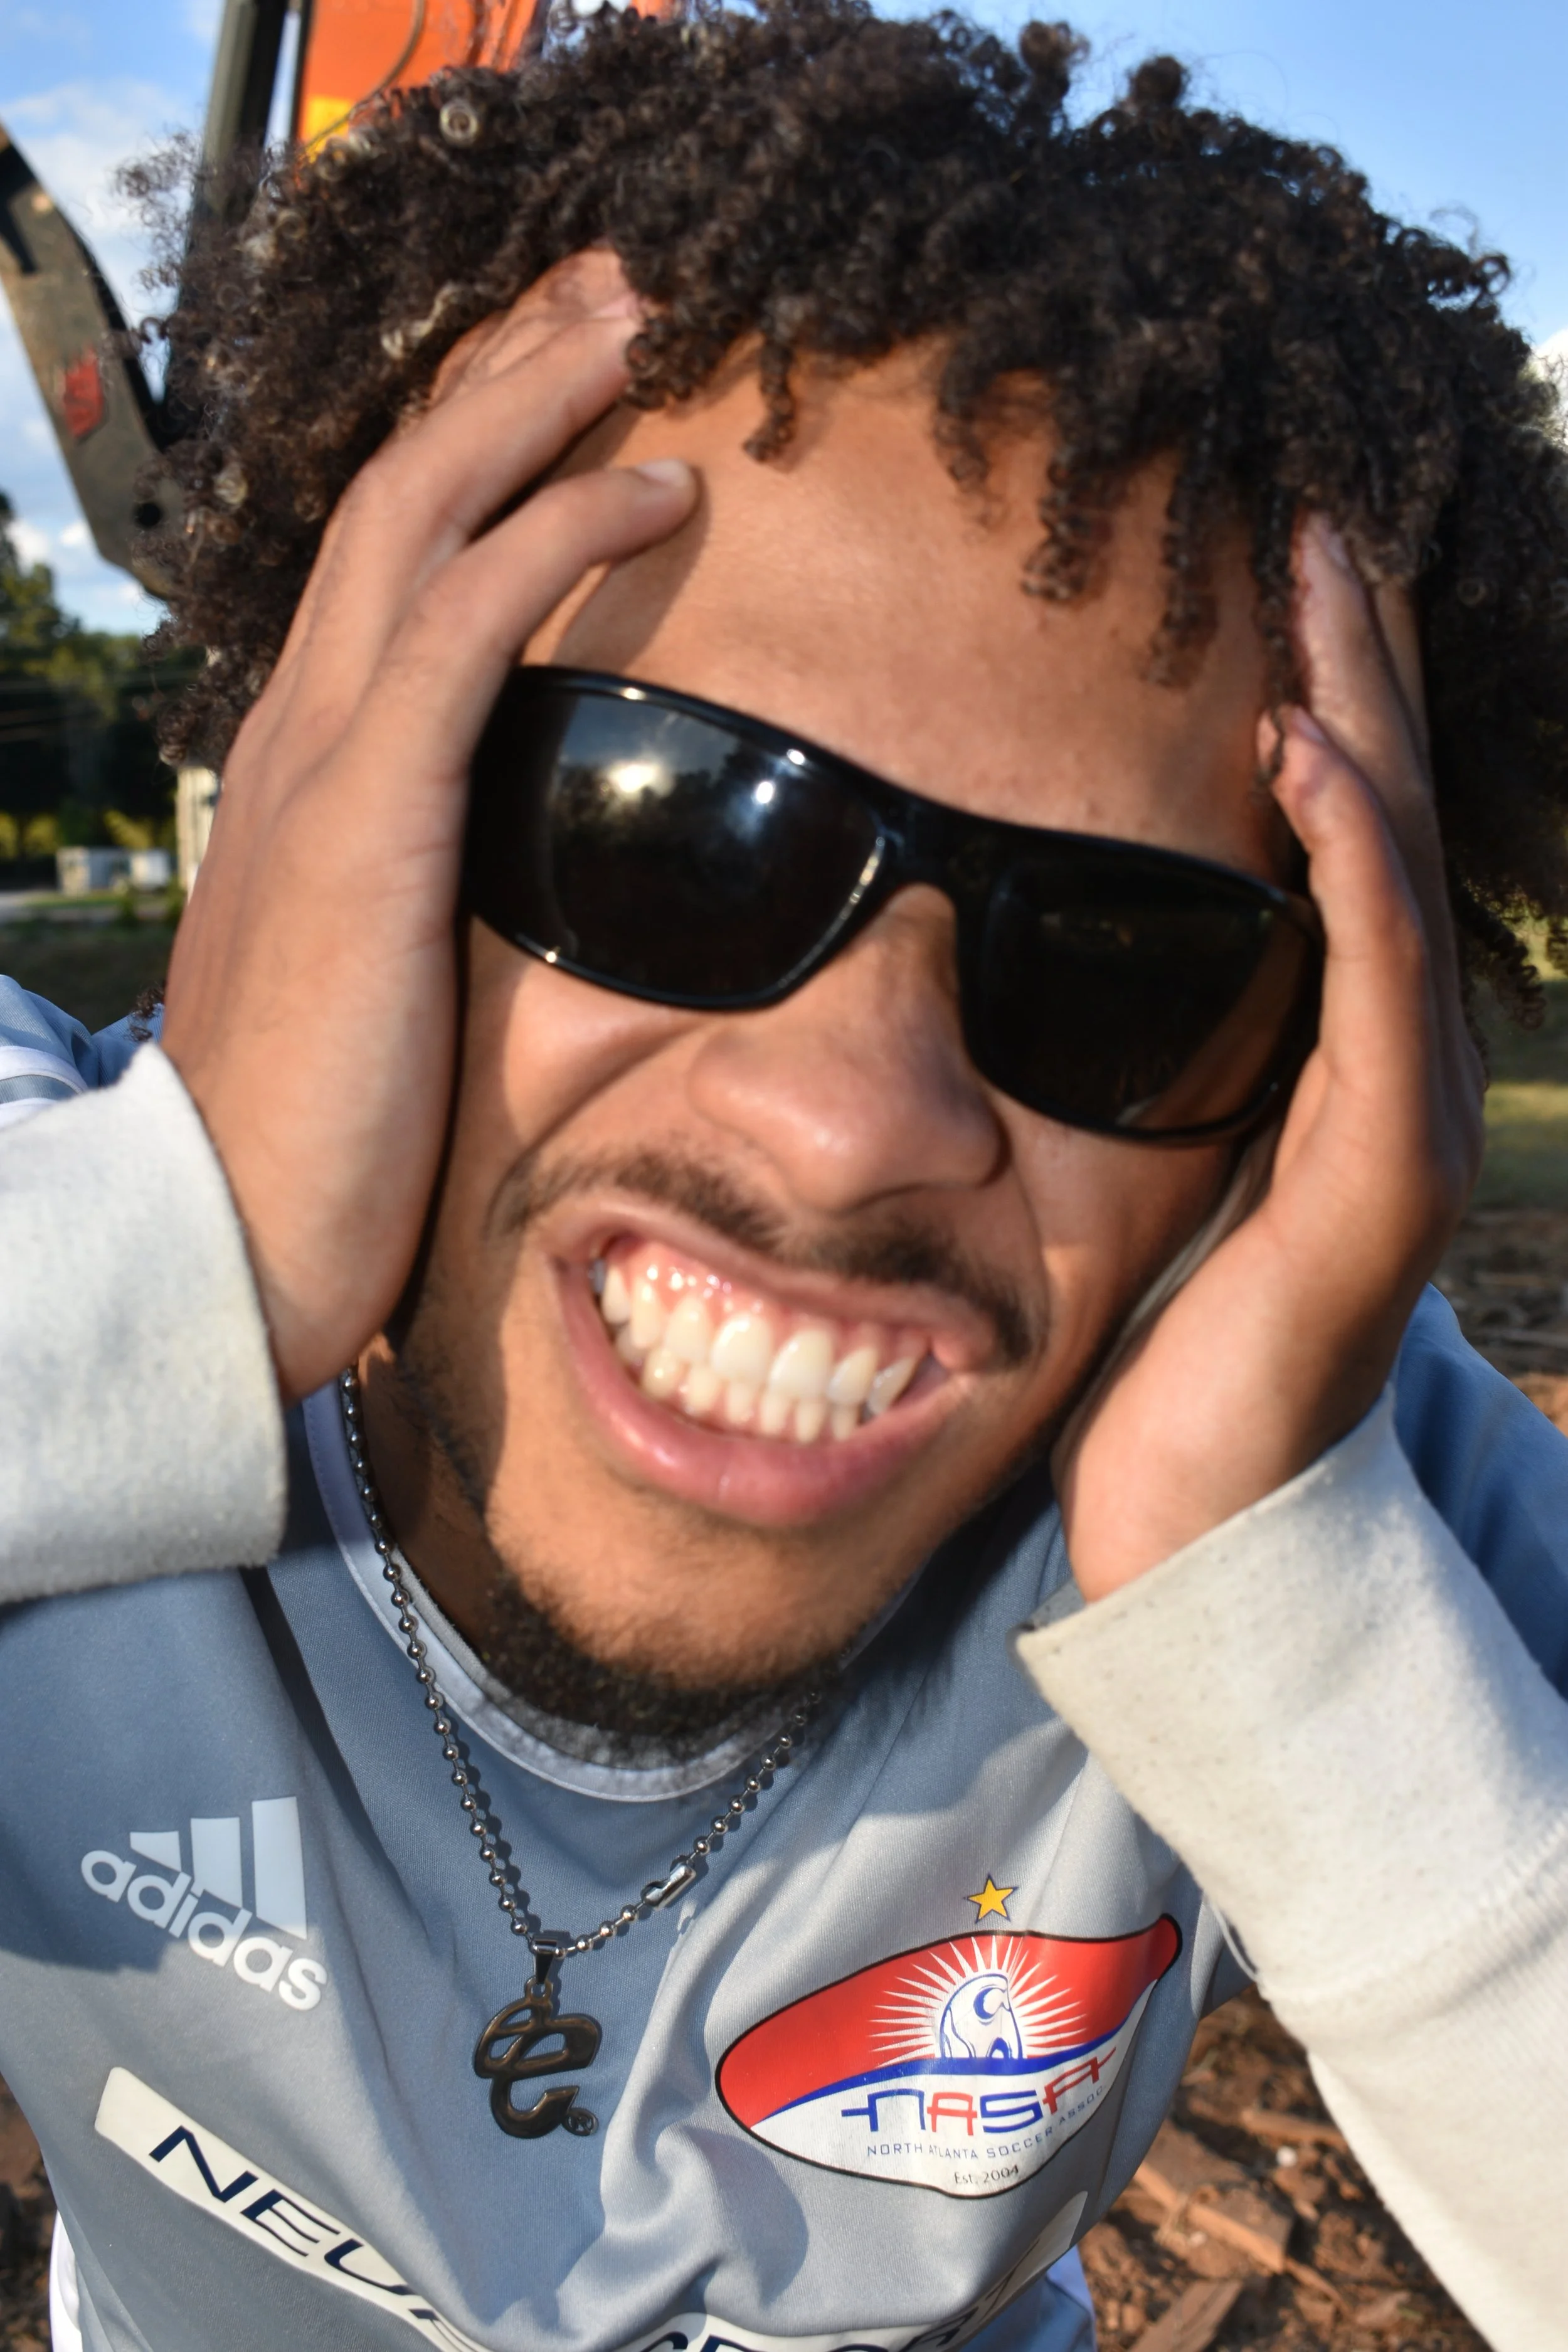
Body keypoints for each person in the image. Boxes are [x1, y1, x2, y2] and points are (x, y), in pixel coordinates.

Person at [4, 7, 1568, 2349]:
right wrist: (168, 1268)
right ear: (334, 782)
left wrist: (1287, 1630)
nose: (861, 1118)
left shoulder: (1314, 1455)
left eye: (1123, 967)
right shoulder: (61, 1227)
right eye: (660, 823)